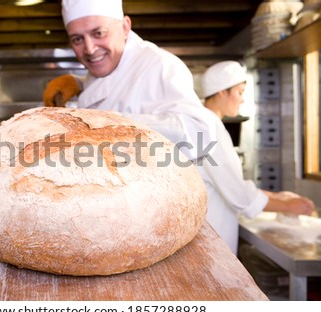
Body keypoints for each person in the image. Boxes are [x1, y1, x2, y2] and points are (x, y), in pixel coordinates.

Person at [43, 0, 216, 162]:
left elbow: (200, 133)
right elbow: (113, 84)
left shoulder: (158, 65)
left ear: (125, 27)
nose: (90, 49)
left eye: (99, 33)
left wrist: (120, 125)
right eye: (77, 39)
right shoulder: (109, 64)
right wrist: (78, 83)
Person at [198, 60, 315, 254]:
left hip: (210, 234)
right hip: (212, 239)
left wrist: (275, 196)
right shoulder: (209, 129)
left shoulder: (207, 124)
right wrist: (287, 205)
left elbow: (230, 182)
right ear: (222, 92)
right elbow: (238, 194)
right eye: (239, 92)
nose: (242, 99)